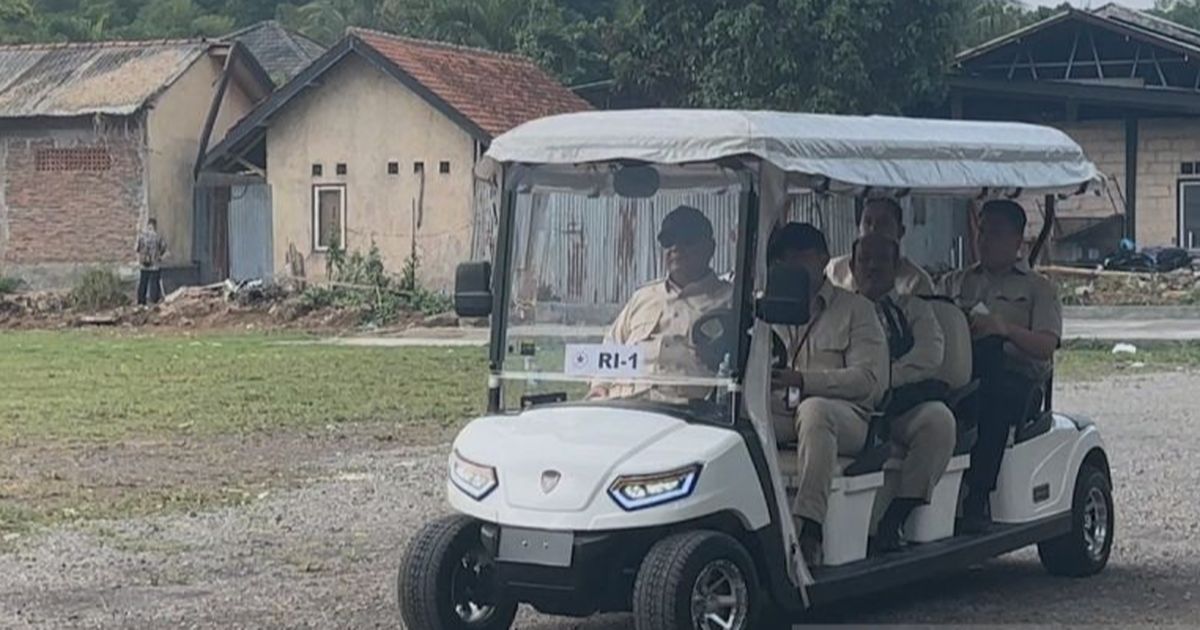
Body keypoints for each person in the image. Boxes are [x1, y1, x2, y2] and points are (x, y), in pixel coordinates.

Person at [768, 222, 889, 566]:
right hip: (779, 412)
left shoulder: (856, 310)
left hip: (846, 418)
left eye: (800, 258)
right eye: (784, 260)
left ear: (822, 259)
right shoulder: (766, 308)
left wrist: (803, 380)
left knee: (814, 410)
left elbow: (868, 381)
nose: (791, 266)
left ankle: (809, 528)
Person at [939, 199, 1062, 533]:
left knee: (991, 401)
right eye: (982, 231)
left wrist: (1004, 329)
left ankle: (978, 496)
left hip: (1018, 380)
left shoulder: (1038, 289)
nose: (985, 239)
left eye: (995, 232)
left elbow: (1046, 346)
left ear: (1018, 240)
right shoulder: (955, 283)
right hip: (963, 372)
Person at [850, 233, 956, 552]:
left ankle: (895, 517)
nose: (872, 267)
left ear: (897, 266)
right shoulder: (839, 308)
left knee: (938, 422)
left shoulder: (915, 310)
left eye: (881, 259)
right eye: (864, 260)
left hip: (895, 407)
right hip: (847, 404)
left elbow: (929, 356)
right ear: (852, 266)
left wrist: (879, 378)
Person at [587, 205, 732, 402]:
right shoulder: (643, 297)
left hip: (689, 414)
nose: (675, 248)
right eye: (668, 241)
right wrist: (600, 386)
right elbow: (613, 346)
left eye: (687, 240)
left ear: (710, 247)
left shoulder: (731, 301)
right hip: (623, 404)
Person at [826, 197, 935, 295]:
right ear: (858, 228)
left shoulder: (917, 281)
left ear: (901, 232)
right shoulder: (834, 270)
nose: (873, 229)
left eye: (883, 222)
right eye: (867, 222)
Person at [135, 218, 168, 306]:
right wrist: (160, 258)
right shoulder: (158, 237)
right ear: (155, 226)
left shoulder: (142, 237)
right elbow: (164, 249)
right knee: (154, 284)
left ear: (148, 225)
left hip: (143, 265)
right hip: (154, 265)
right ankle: (154, 302)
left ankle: (141, 302)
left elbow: (137, 249)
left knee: (143, 284)